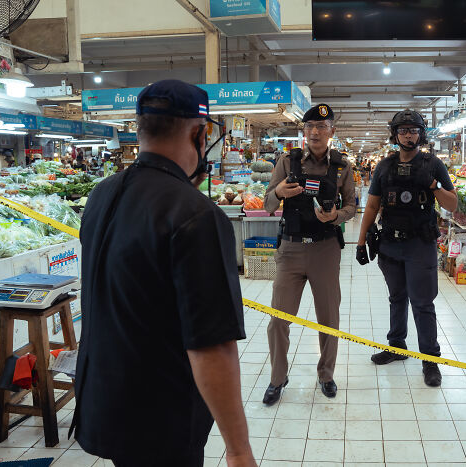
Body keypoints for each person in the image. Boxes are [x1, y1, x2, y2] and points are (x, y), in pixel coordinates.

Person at [75, 80, 255, 466]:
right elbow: (213, 346)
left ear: (140, 130)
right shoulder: (196, 215)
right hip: (161, 420)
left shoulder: (101, 194)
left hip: (104, 404)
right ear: (199, 133)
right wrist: (238, 450)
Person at [262, 103, 356, 405]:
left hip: (325, 250)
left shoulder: (342, 166)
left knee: (328, 318)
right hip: (290, 250)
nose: (315, 132)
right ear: (304, 131)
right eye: (310, 127)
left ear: (332, 132)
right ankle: (278, 378)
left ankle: (326, 374)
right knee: (278, 319)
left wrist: (336, 216)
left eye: (321, 127)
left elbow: (353, 206)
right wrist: (279, 194)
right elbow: (266, 205)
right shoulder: (288, 162)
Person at [355, 110, 458, 387]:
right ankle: (397, 346)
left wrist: (432, 184)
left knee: (423, 303)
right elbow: (373, 205)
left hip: (420, 245)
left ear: (421, 134)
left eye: (413, 130)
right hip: (389, 244)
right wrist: (361, 240)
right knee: (396, 298)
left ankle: (430, 360)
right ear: (395, 134)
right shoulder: (385, 167)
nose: (408, 135)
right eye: (403, 130)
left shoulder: (433, 164)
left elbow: (452, 205)